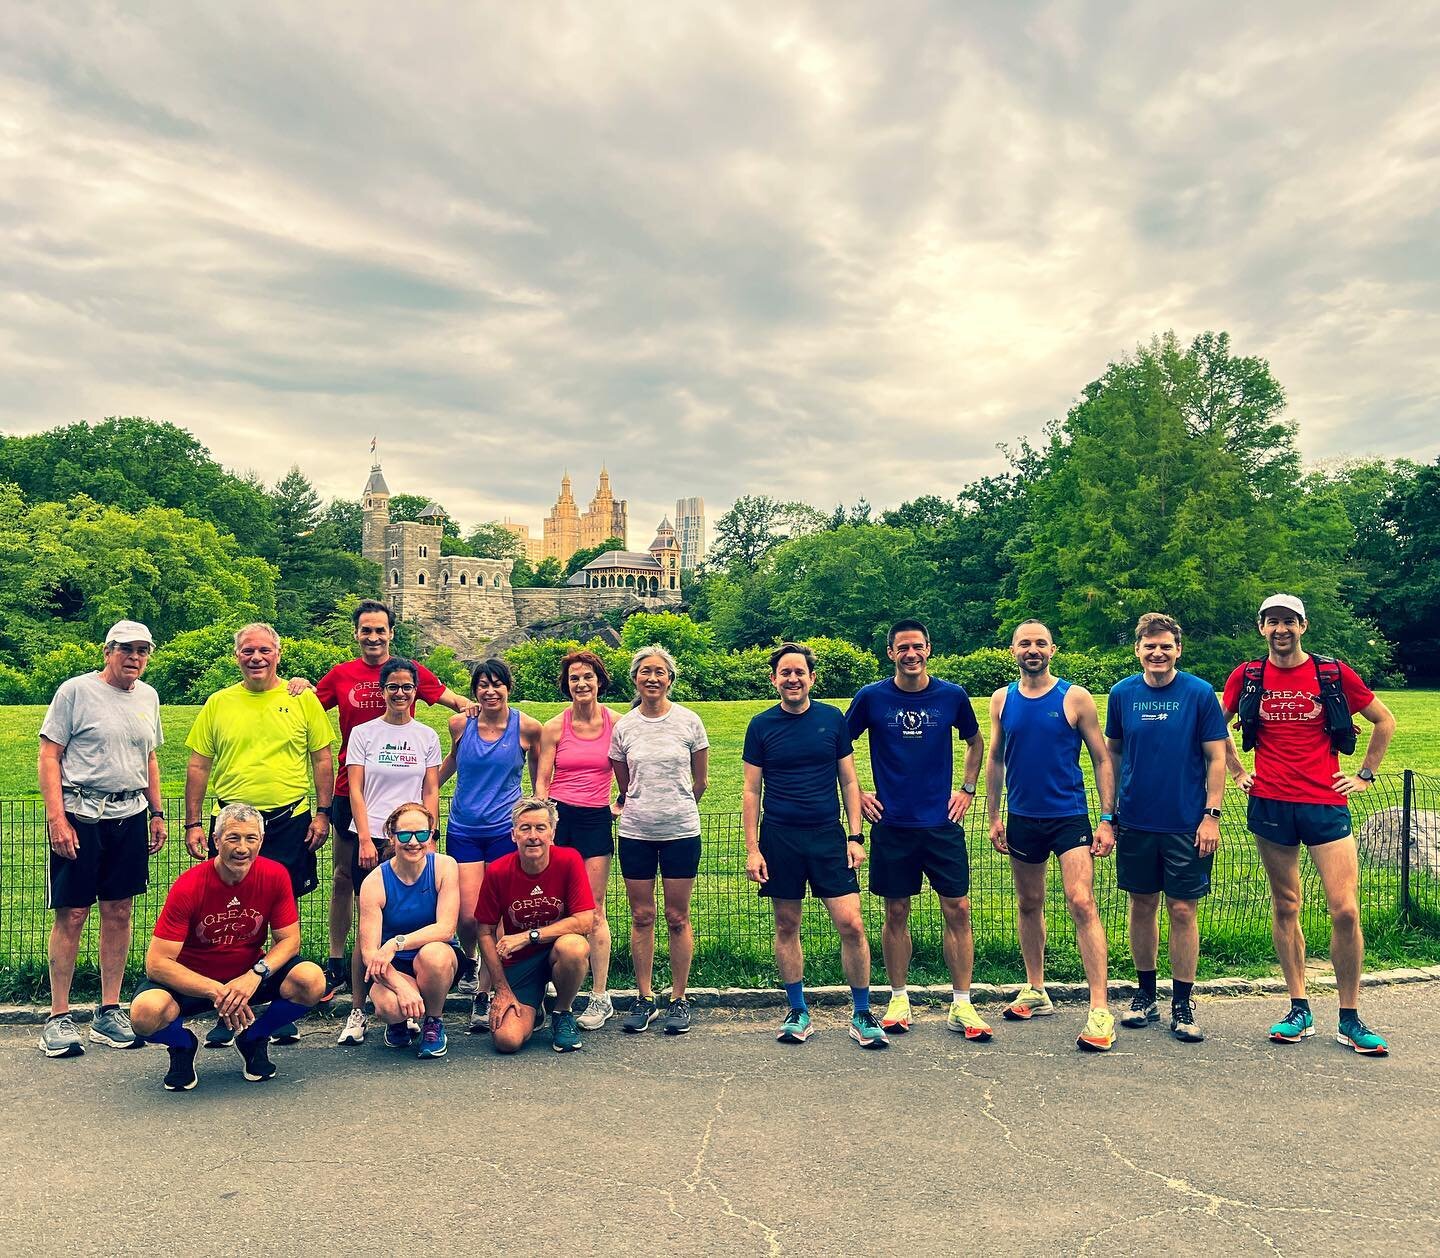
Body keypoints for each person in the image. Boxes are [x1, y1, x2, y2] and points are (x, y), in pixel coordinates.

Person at [1221, 594, 1397, 1054]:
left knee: (1345, 909)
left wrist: (1364, 774)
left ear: (1304, 626)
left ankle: (1350, 1016)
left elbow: (1384, 720)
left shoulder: (1332, 673)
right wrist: (1239, 772)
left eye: (1289, 622)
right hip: (1270, 803)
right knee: (1286, 905)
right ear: (1262, 628)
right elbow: (1214, 728)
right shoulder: (1248, 676)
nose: (1281, 630)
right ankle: (1298, 1007)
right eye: (1272, 622)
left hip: (1324, 801)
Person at [290, 598, 472, 1002]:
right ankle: (340, 961)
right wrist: (300, 683)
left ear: (391, 632)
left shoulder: (409, 673)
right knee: (346, 879)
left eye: (380, 630)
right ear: (356, 633)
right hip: (351, 791)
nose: (373, 637)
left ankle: (405, 959)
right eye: (366, 630)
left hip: (405, 809)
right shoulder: (341, 674)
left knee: (402, 884)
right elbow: (301, 709)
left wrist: (469, 704)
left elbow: (447, 696)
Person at [184, 623, 334, 1046]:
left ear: (278, 654)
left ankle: (280, 1005)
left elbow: (322, 760)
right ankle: (227, 1008)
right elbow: (198, 765)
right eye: (248, 651)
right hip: (233, 824)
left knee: (282, 916)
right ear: (237, 656)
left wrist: (322, 814)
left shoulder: (301, 698)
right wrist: (194, 822)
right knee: (231, 920)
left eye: (264, 650)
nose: (256, 658)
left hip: (289, 822)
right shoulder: (219, 703)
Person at [845, 619, 989, 1041]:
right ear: (890, 653)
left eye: (918, 646)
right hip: (891, 824)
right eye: (902, 648)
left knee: (958, 910)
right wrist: (859, 796)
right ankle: (899, 997)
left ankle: (962, 1003)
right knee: (896, 912)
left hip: (941, 824)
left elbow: (976, 741)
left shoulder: (952, 696)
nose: (911, 654)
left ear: (929, 649)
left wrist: (966, 788)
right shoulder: (871, 698)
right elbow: (840, 747)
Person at [37, 620, 168, 1057]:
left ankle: (108, 1010)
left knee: (119, 910)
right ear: (108, 651)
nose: (135, 658)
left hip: (129, 814)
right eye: (127, 649)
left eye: (143, 651)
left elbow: (148, 757)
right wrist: (57, 819)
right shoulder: (75, 691)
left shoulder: (148, 696)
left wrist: (157, 812)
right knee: (72, 914)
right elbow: (49, 754)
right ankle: (58, 1016)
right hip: (81, 813)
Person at [745, 643, 886, 1048]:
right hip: (780, 838)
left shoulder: (831, 719)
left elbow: (849, 781)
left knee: (851, 923)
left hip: (827, 836)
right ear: (774, 680)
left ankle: (861, 1013)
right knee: (787, 925)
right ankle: (797, 1010)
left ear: (812, 678)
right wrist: (754, 848)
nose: (792, 679)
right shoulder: (761, 725)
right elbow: (752, 790)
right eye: (784, 673)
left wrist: (856, 837)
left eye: (799, 672)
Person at [986, 620, 1118, 1052]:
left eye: (1040, 642)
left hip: (1068, 817)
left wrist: (1106, 818)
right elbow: (996, 760)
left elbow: (1101, 759)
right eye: (1024, 643)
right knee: (1029, 903)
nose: (1033, 649)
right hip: (1022, 817)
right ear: (1012, 651)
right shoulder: (1002, 699)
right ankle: (1036, 989)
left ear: (1052, 649)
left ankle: (1100, 1007)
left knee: (1081, 901)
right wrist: (993, 816)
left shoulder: (1074, 697)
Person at [128, 803, 326, 1091]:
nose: (242, 848)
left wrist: (255, 974)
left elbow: (289, 940)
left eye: (251, 838)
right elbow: (157, 963)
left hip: (248, 977)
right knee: (144, 1015)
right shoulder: (189, 885)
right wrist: (217, 991)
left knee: (311, 979)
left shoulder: (276, 875)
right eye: (233, 838)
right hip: (192, 983)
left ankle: (254, 1037)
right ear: (215, 840)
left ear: (262, 840)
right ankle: (182, 1045)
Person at [1105, 613, 1228, 1043]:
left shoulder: (1198, 694)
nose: (1157, 653)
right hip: (1137, 821)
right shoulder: (1122, 694)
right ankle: (1144, 996)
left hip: (1186, 824)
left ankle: (1182, 1002)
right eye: (1149, 646)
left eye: (1166, 646)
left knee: (1181, 909)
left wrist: (1211, 815)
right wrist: (1111, 813)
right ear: (1137, 649)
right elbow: (1113, 756)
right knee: (1142, 906)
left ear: (1178, 649)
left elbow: (1216, 758)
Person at [335, 658, 443, 1045]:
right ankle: (358, 1010)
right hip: (374, 837)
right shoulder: (364, 733)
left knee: (415, 921)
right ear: (382, 691)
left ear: (416, 692)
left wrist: (428, 833)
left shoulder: (427, 735)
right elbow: (356, 789)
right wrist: (365, 838)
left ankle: (410, 1000)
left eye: (407, 687)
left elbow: (430, 789)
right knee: (370, 929)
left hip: (413, 839)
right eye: (393, 687)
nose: (400, 693)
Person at [609, 645, 709, 1036]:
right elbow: (624, 780)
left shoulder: (689, 722)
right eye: (645, 671)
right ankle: (645, 996)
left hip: (681, 832)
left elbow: (700, 781)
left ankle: (679, 997)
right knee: (642, 916)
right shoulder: (625, 727)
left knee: (677, 917)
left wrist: (677, 805)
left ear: (670, 678)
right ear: (635, 678)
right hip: (635, 832)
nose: (652, 678)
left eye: (660, 672)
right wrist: (643, 805)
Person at [438, 658, 542, 1033]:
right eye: (483, 684)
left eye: (497, 684)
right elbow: (448, 765)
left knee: (494, 917)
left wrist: (537, 819)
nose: (490, 691)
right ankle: (469, 960)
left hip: (502, 831)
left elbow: (538, 777)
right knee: (467, 915)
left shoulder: (527, 727)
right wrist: (422, 790)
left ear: (508, 688)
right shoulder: (459, 724)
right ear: (475, 690)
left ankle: (485, 992)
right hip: (464, 828)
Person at [535, 649, 619, 1031]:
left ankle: (599, 996)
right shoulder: (554, 727)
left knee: (594, 908)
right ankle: (547, 990)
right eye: (573, 678)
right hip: (560, 818)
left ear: (599, 680)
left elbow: (629, 771)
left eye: (587, 677)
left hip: (596, 819)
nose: (581, 684)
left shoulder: (617, 723)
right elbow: (542, 780)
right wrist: (541, 822)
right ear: (566, 685)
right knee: (552, 907)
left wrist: (620, 802)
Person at [475, 797, 594, 1054]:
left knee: (574, 946)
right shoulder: (497, 871)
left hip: (555, 952)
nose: (533, 836)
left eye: (541, 828)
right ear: (513, 834)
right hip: (520, 963)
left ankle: (562, 1012)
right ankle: (535, 1008)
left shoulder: (569, 860)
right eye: (525, 828)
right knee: (507, 1041)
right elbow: (484, 932)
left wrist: (529, 936)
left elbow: (585, 921)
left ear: (552, 832)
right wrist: (502, 989)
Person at [356, 802, 461, 1059]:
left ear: (431, 834)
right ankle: (398, 1023)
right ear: (391, 837)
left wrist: (395, 943)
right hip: (392, 967)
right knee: (390, 1007)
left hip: (435, 961)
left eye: (422, 834)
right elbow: (369, 953)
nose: (413, 842)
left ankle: (433, 1022)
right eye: (404, 835)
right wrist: (401, 988)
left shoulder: (445, 866)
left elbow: (446, 929)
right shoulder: (374, 881)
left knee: (433, 953)